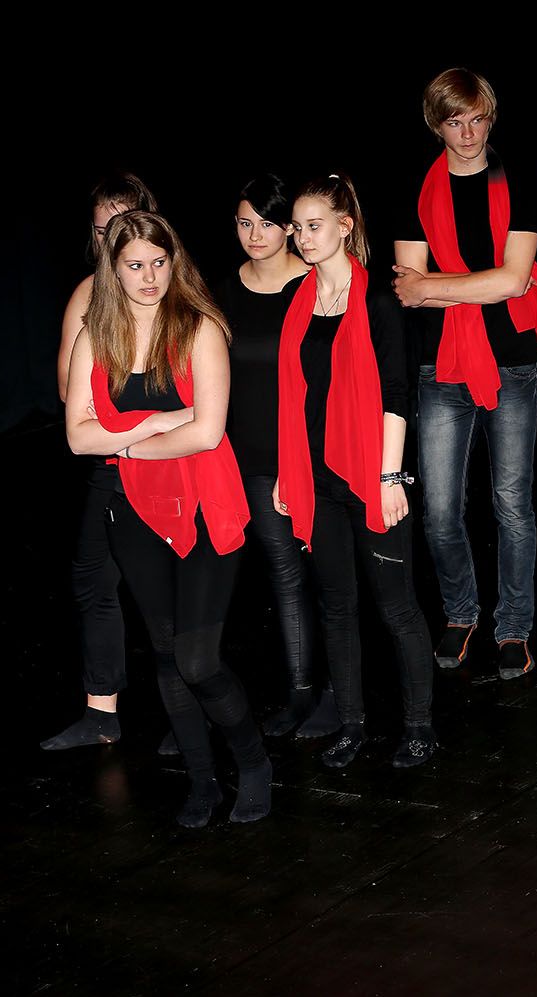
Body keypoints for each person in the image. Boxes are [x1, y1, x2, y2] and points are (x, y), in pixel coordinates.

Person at [64, 210, 270, 827]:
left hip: (205, 504)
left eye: (159, 262)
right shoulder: (95, 338)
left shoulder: (200, 327)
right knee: (164, 652)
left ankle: (254, 764)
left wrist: (126, 443)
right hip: (136, 510)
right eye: (135, 265)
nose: (150, 276)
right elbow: (77, 437)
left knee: (197, 659)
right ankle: (203, 782)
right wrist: (156, 422)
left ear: (173, 262)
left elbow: (207, 432)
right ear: (113, 269)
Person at [393, 68, 537, 682]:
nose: (468, 133)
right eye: (454, 121)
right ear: (435, 125)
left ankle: (514, 626)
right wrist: (475, 286)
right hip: (441, 365)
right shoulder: (415, 189)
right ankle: (461, 613)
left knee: (512, 504)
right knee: (440, 511)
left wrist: (437, 287)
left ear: (491, 116)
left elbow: (513, 282)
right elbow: (406, 291)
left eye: (477, 119)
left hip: (512, 361)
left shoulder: (519, 182)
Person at [275, 175, 435, 769]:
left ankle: (418, 726)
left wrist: (389, 479)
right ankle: (351, 724)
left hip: (371, 473)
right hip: (316, 477)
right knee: (337, 606)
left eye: (314, 225)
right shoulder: (298, 300)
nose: (302, 237)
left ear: (344, 226)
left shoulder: (378, 302)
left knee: (396, 607)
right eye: (297, 227)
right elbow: (294, 397)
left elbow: (397, 395)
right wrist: (288, 474)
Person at [212, 174, 335, 737]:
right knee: (286, 575)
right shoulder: (222, 293)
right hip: (254, 459)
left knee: (329, 575)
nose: (255, 235)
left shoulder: (315, 284)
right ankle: (303, 692)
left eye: (266, 223)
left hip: (315, 454)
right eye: (245, 223)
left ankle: (336, 692)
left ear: (289, 227)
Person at [42, 174, 158, 751]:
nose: (110, 238)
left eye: (122, 225)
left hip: (170, 461)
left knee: (167, 591)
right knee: (94, 580)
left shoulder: (167, 287)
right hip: (109, 461)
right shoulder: (88, 295)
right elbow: (71, 391)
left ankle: (185, 714)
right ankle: (101, 711)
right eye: (100, 229)